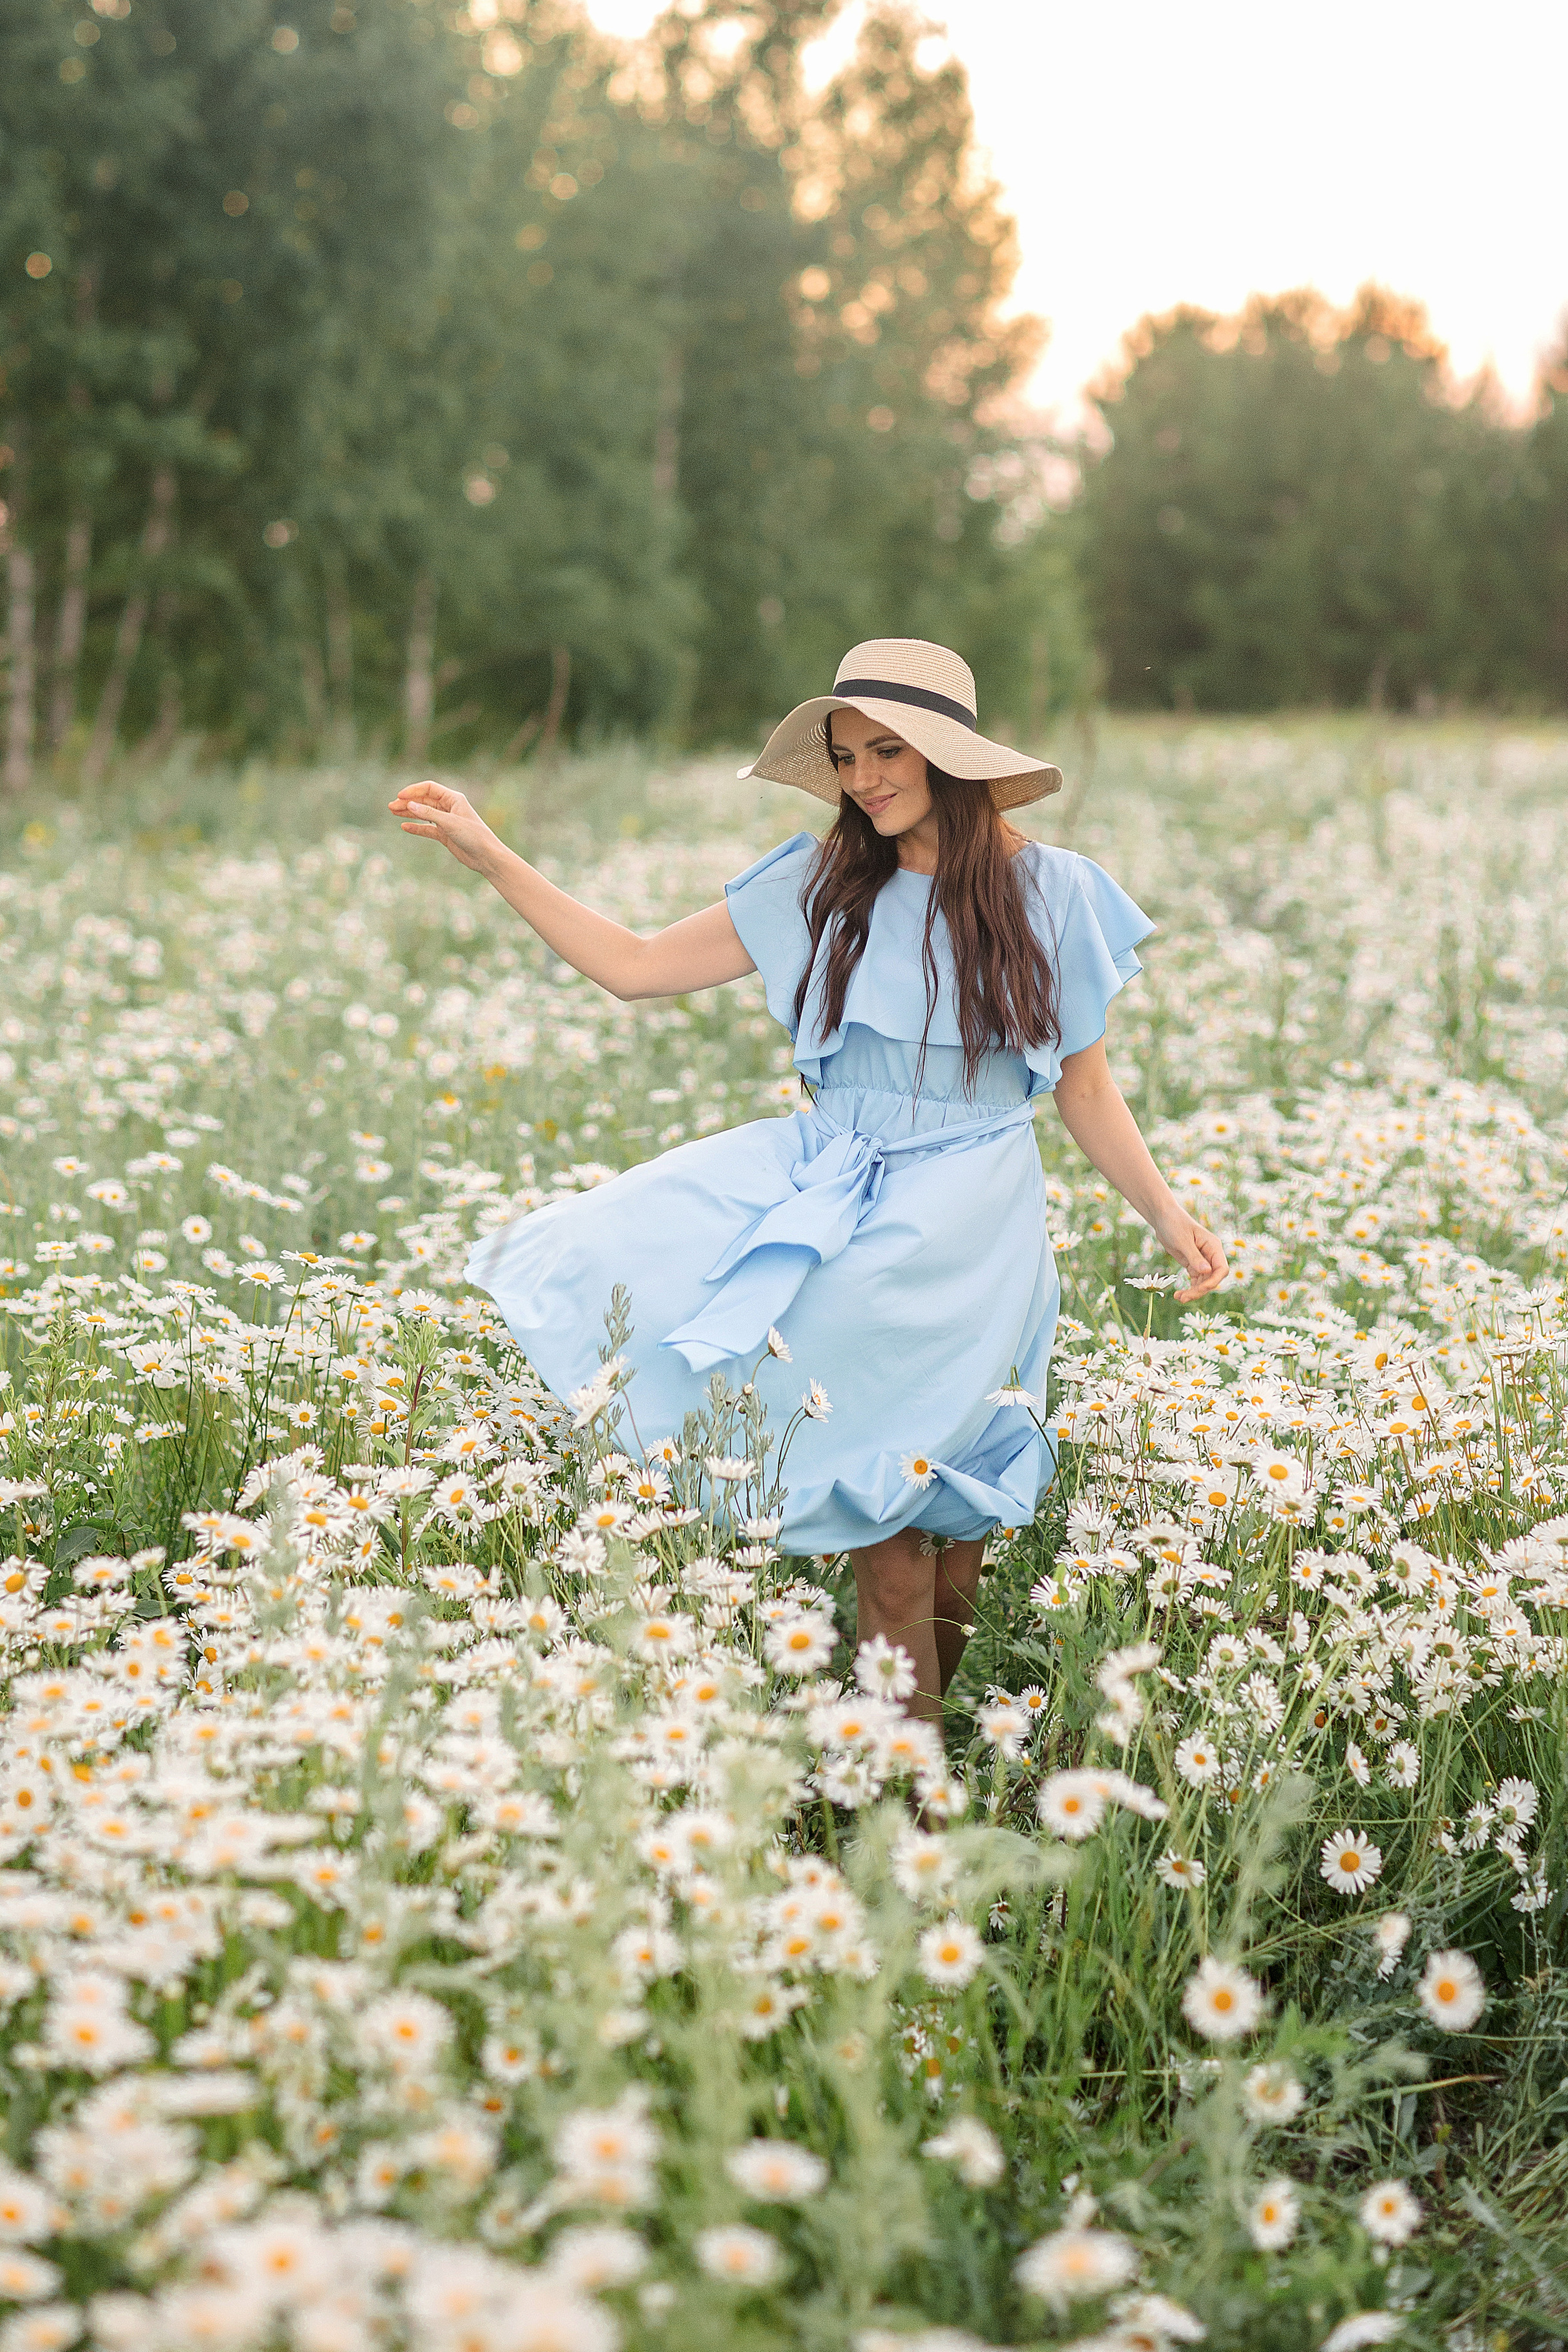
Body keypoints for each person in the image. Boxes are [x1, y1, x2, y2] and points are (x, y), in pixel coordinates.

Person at [389, 638, 1227, 1729]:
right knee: (894, 1558)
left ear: (948, 755)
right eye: (844, 756)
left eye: (887, 751)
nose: (862, 778)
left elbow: (1085, 1087)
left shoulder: (1057, 893)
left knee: (957, 1554)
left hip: (979, 1235)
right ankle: (903, 1802)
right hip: (843, 1214)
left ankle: (921, 1760)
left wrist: (1166, 1213)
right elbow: (634, 967)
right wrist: (492, 853)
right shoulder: (819, 884)